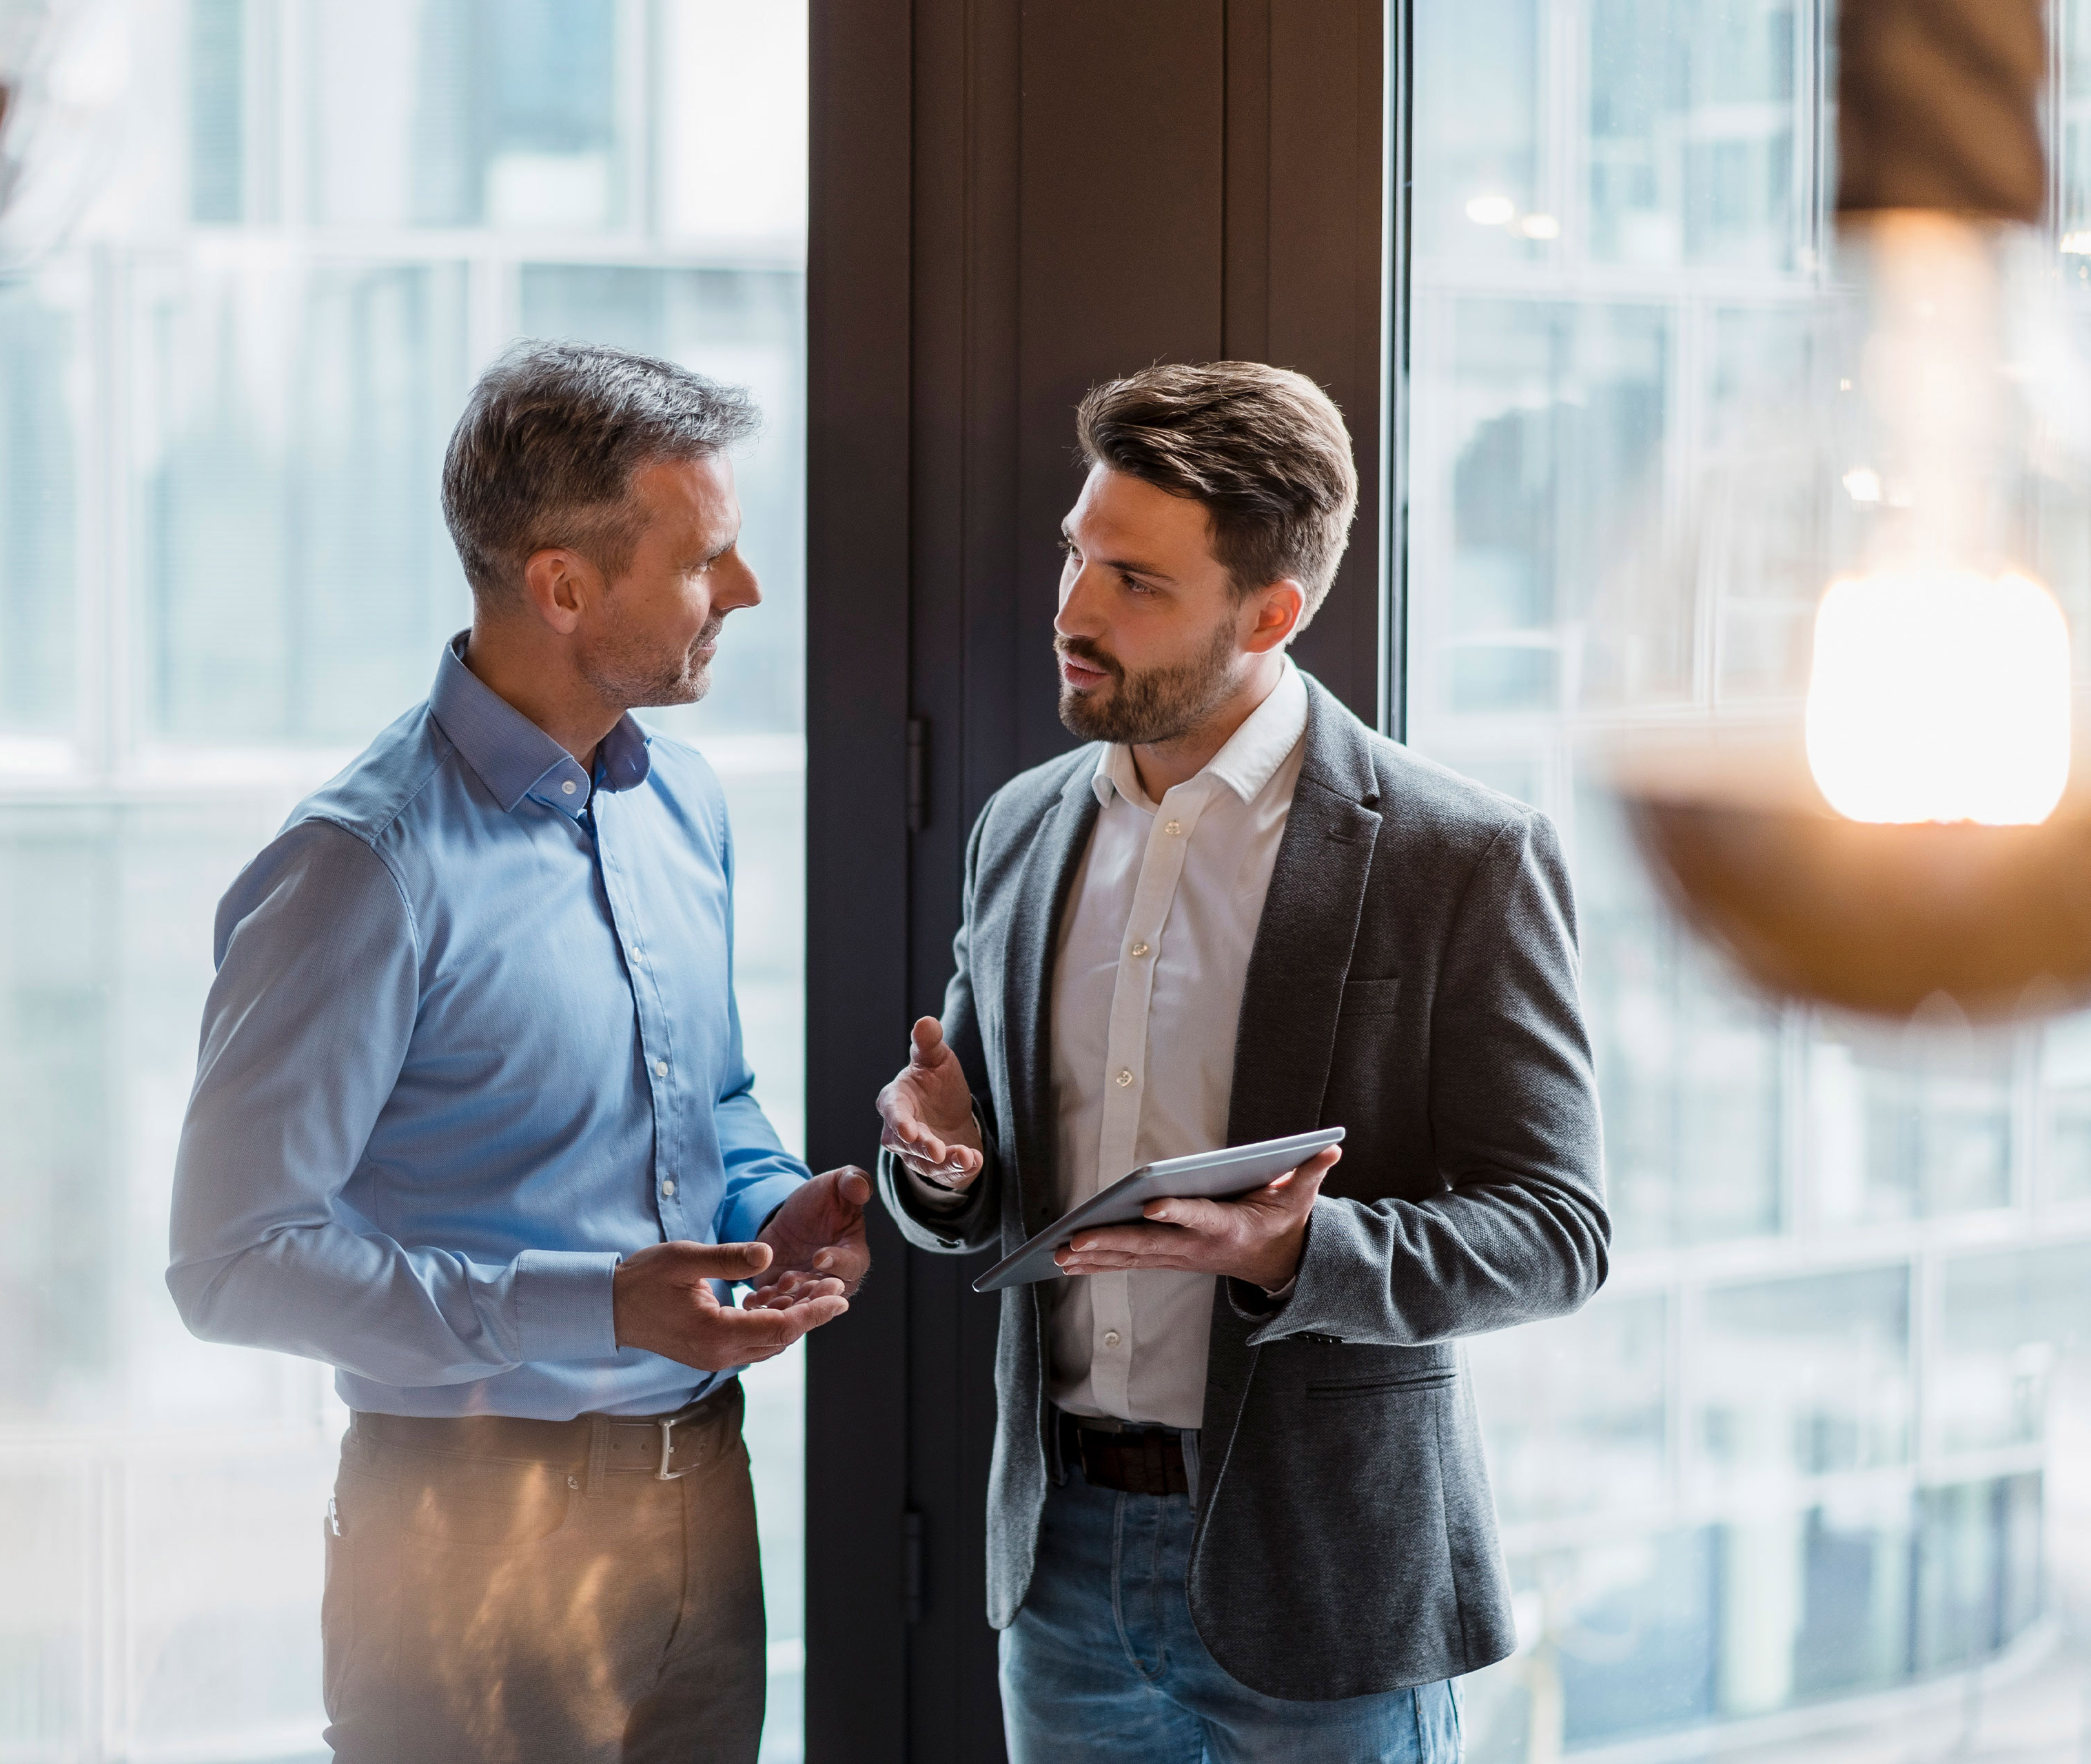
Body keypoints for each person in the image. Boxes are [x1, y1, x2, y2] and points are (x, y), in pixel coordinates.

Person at [873, 360, 1608, 1763]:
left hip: (1324, 1582)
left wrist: (1296, 1252)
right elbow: (972, 1175)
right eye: (1078, 554)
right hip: (1060, 1563)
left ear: (1272, 612)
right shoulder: (1021, 828)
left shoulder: (1459, 855)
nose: (1074, 611)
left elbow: (1558, 1232)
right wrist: (948, 1163)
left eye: (1135, 582)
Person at [167, 340, 868, 1764]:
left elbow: (711, 1094)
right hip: (461, 1532)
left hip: (703, 1498)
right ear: (562, 585)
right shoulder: (360, 867)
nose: (742, 591)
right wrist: (597, 1303)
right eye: (705, 560)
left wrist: (770, 1207)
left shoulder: (683, 804)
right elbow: (229, 1262)